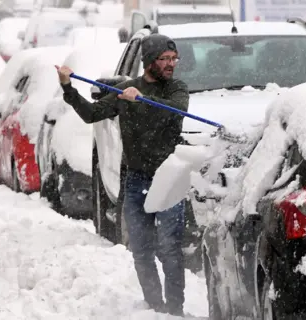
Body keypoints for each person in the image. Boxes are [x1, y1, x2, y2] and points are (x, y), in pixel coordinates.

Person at [55, 34, 189, 316]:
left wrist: (141, 100)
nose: (170, 64)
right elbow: (91, 114)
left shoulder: (177, 89)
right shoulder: (126, 91)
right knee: (141, 249)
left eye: (173, 59)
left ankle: (175, 310)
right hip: (137, 179)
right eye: (164, 59)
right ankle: (155, 307)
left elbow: (175, 113)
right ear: (149, 61)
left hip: (168, 179)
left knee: (170, 249)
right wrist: (68, 88)